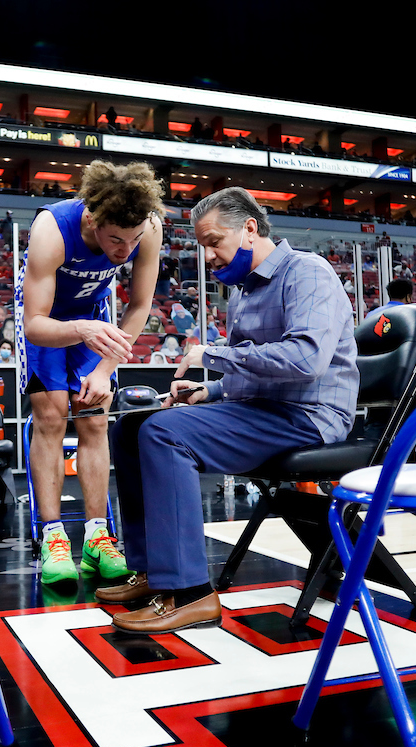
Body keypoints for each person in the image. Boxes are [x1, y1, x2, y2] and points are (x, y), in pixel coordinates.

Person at [99, 187, 359, 632]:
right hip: (265, 410)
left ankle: (191, 593)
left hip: (311, 416)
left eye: (215, 242)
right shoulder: (240, 293)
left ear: (251, 229)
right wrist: (211, 393)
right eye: (204, 247)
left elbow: (305, 360)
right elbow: (249, 374)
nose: (211, 256)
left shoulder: (308, 273)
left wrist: (212, 356)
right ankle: (154, 572)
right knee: (130, 429)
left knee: (163, 434)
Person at [21, 159, 163, 585]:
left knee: (94, 420)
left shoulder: (149, 229)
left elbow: (139, 307)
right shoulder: (52, 230)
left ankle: (98, 536)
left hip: (93, 316)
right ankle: (52, 537)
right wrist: (80, 329)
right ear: (91, 218)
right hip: (49, 319)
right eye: (116, 239)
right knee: (50, 416)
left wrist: (105, 370)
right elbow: (34, 325)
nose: (124, 251)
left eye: (133, 239)